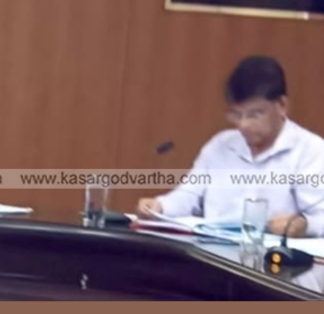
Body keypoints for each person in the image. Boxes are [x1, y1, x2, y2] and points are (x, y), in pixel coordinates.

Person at [137, 56, 324, 238]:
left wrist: (303, 225)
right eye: (236, 115)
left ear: (282, 106)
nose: (243, 125)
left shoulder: (311, 152)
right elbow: (189, 195)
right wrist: (160, 206)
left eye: (254, 115)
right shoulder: (220, 145)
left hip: (268, 256)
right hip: (209, 251)